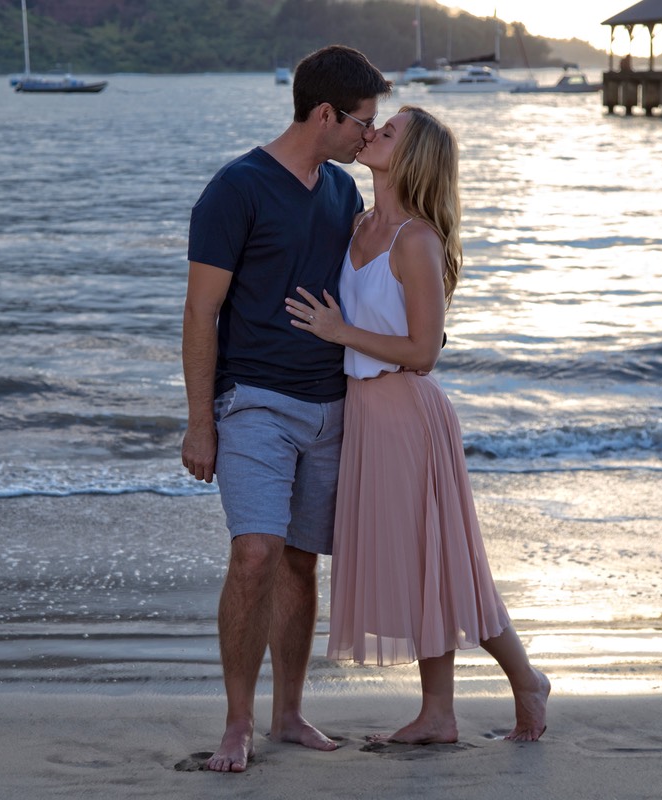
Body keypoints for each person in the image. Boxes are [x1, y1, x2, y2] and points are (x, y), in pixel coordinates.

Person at [285, 106, 550, 744]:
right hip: (363, 415)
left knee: (441, 562)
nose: (371, 133)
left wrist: (339, 332)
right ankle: (439, 714)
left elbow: (425, 351)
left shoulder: (416, 240)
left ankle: (525, 680)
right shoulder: (357, 224)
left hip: (408, 413)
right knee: (421, 564)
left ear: (410, 158)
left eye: (388, 132)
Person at [181, 45, 392, 773]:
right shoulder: (235, 189)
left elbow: (372, 282)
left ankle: (289, 713)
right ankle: (238, 722)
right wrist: (200, 422)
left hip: (331, 404)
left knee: (301, 562)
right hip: (254, 403)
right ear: (325, 114)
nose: (370, 135)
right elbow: (201, 313)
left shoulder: (341, 192)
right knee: (255, 554)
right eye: (362, 122)